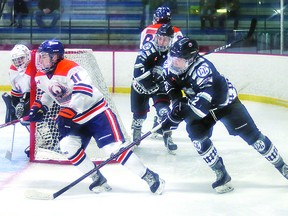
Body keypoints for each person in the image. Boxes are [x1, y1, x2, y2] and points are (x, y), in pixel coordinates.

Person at [28, 39, 165, 194]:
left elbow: (83, 90)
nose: (40, 60)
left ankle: (150, 176)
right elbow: (48, 94)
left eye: (44, 56)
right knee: (67, 146)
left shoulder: (71, 68)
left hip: (97, 113)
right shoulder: (40, 76)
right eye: (40, 56)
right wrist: (39, 107)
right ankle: (96, 178)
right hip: (76, 119)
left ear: (55, 57)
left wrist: (71, 109)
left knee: (114, 149)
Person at [161, 37, 288, 193]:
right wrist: (176, 102)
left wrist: (175, 116)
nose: (174, 63)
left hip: (226, 105)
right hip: (199, 104)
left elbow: (200, 110)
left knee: (254, 137)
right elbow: (171, 85)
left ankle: (282, 166)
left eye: (178, 60)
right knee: (197, 138)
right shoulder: (170, 66)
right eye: (172, 58)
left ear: (191, 59)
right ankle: (221, 173)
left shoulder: (204, 70)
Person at [131, 23, 177, 155]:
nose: (162, 42)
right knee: (139, 116)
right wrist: (153, 78)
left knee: (164, 112)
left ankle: (168, 136)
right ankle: (136, 130)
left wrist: (165, 78)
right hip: (140, 86)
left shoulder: (172, 53)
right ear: (156, 37)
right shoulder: (147, 49)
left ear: (170, 40)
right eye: (160, 38)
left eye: (166, 39)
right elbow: (137, 73)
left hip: (158, 88)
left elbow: (175, 71)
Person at [2, 44, 34, 157]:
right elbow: (16, 91)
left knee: (36, 116)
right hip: (27, 95)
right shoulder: (13, 70)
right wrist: (14, 107)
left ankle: (50, 141)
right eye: (16, 60)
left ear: (27, 56)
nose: (19, 62)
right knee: (24, 118)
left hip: (42, 96)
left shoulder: (35, 66)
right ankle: (37, 143)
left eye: (21, 58)